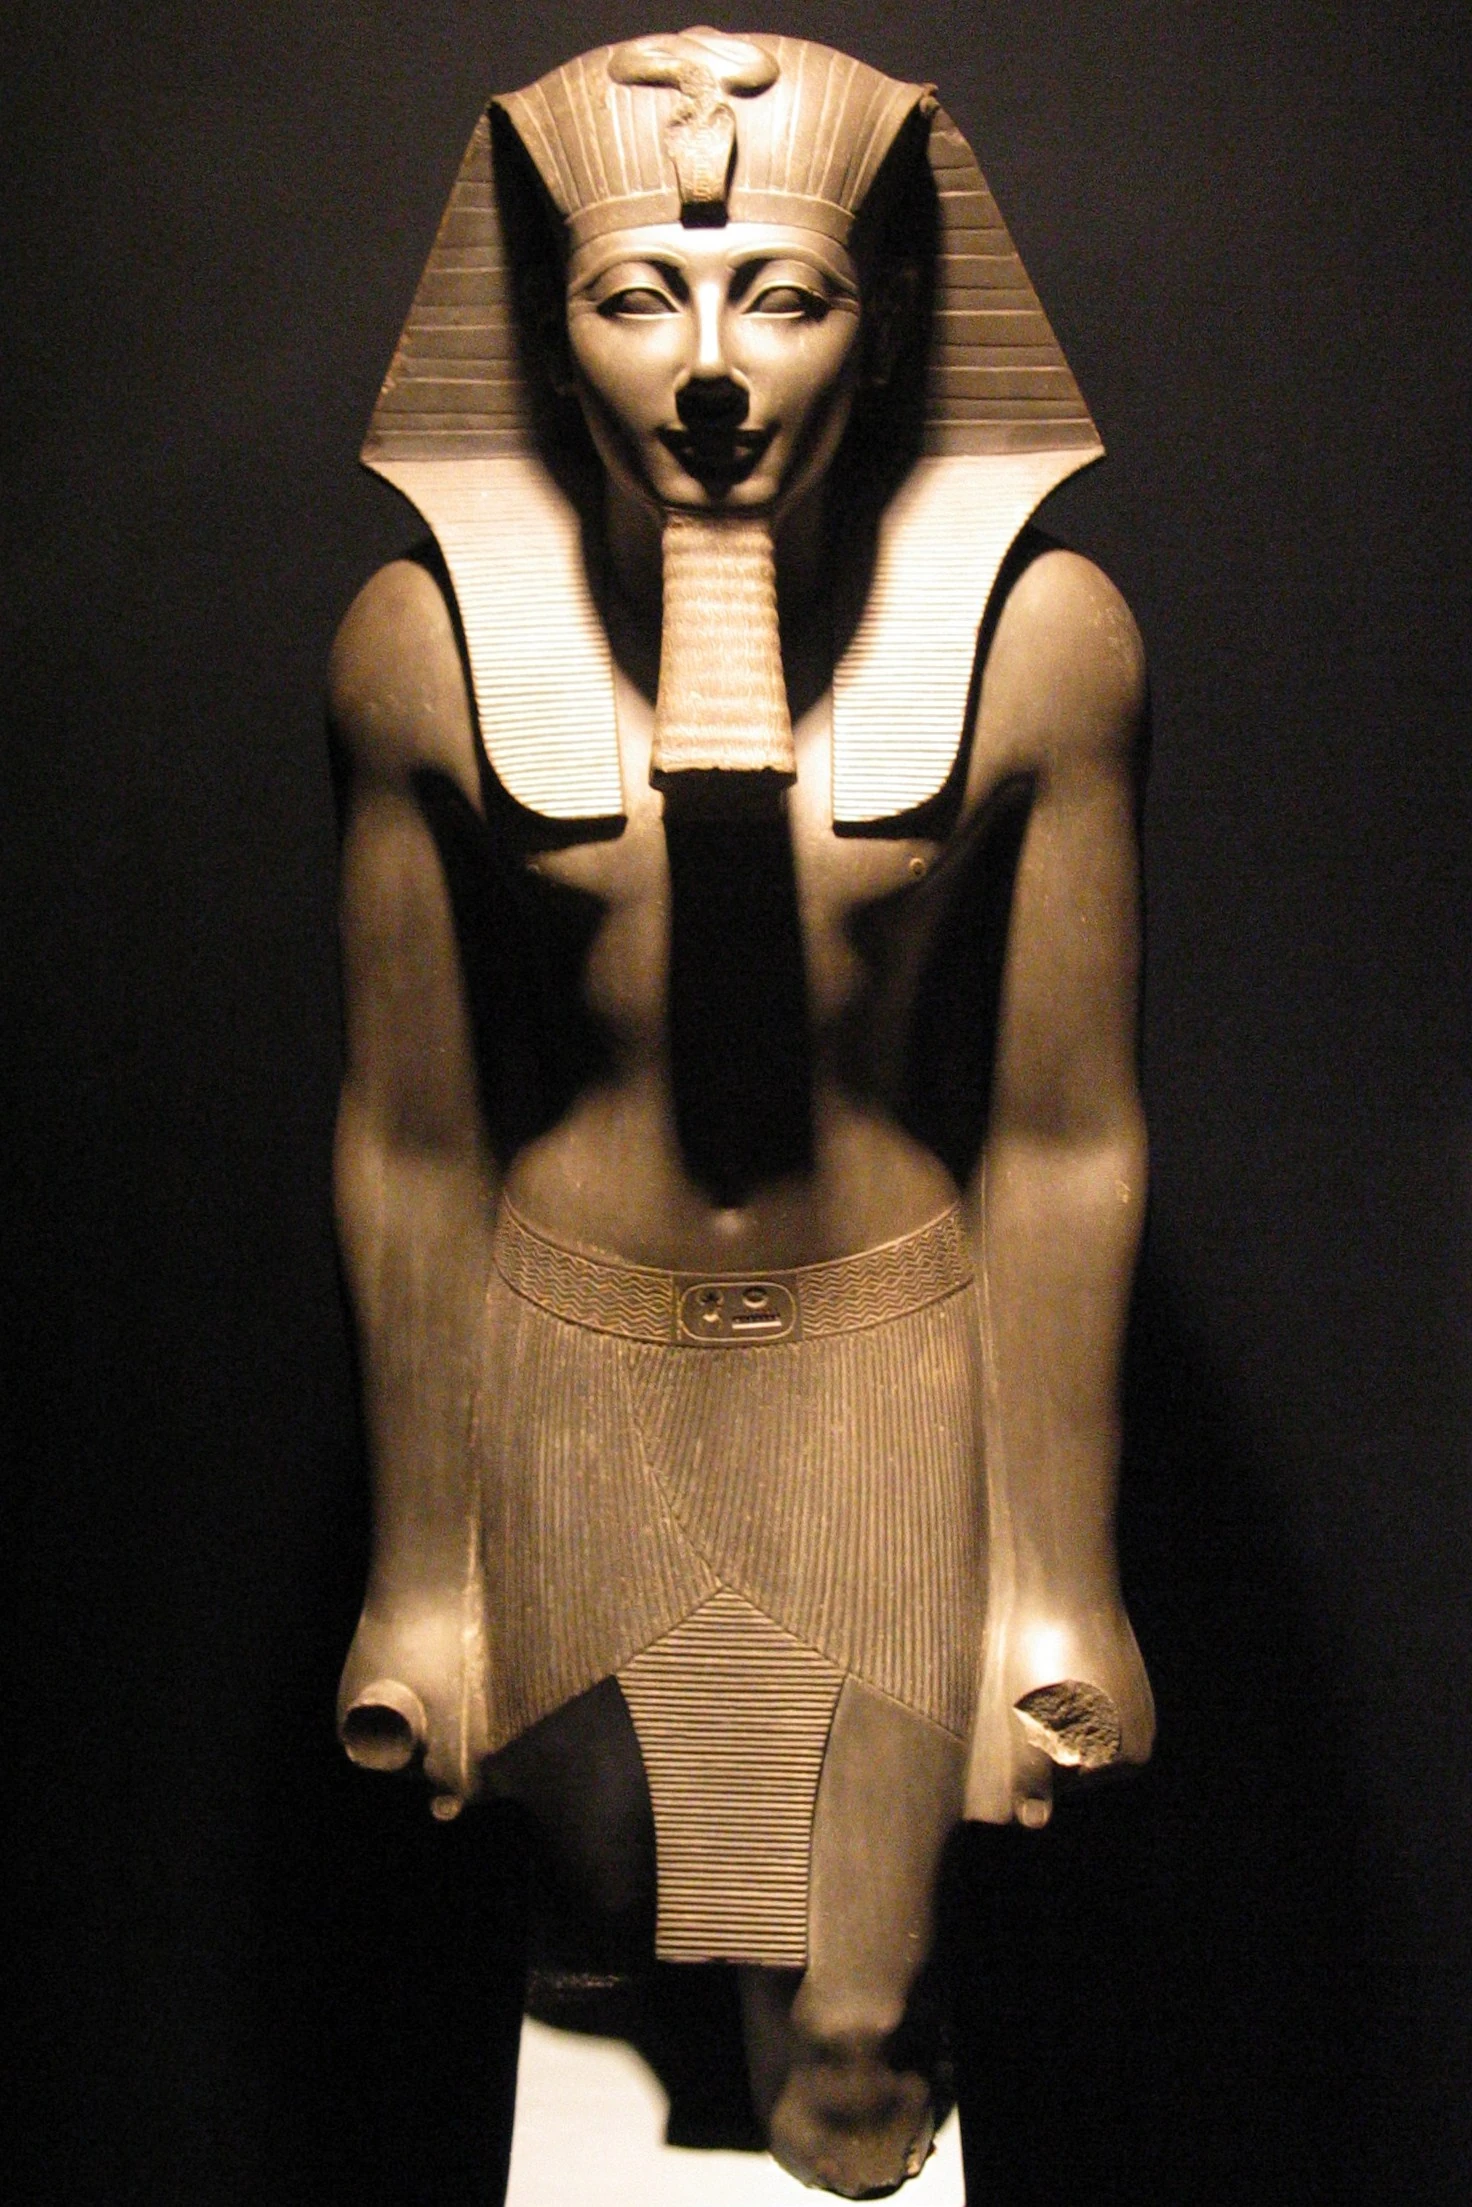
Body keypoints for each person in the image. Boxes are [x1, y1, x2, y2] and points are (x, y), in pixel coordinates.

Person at [330, 29, 1154, 2197]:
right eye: (638, 296)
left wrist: (1056, 1577)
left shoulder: (1043, 646)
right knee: (606, 1936)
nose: (711, 368)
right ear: (543, 334)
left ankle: (846, 2030)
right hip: (565, 1363)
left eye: (782, 296)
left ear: (892, 328)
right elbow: (411, 1138)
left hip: (880, 1362)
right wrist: (419, 1563)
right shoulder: (420, 649)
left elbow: (1063, 1139)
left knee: (851, 2072)